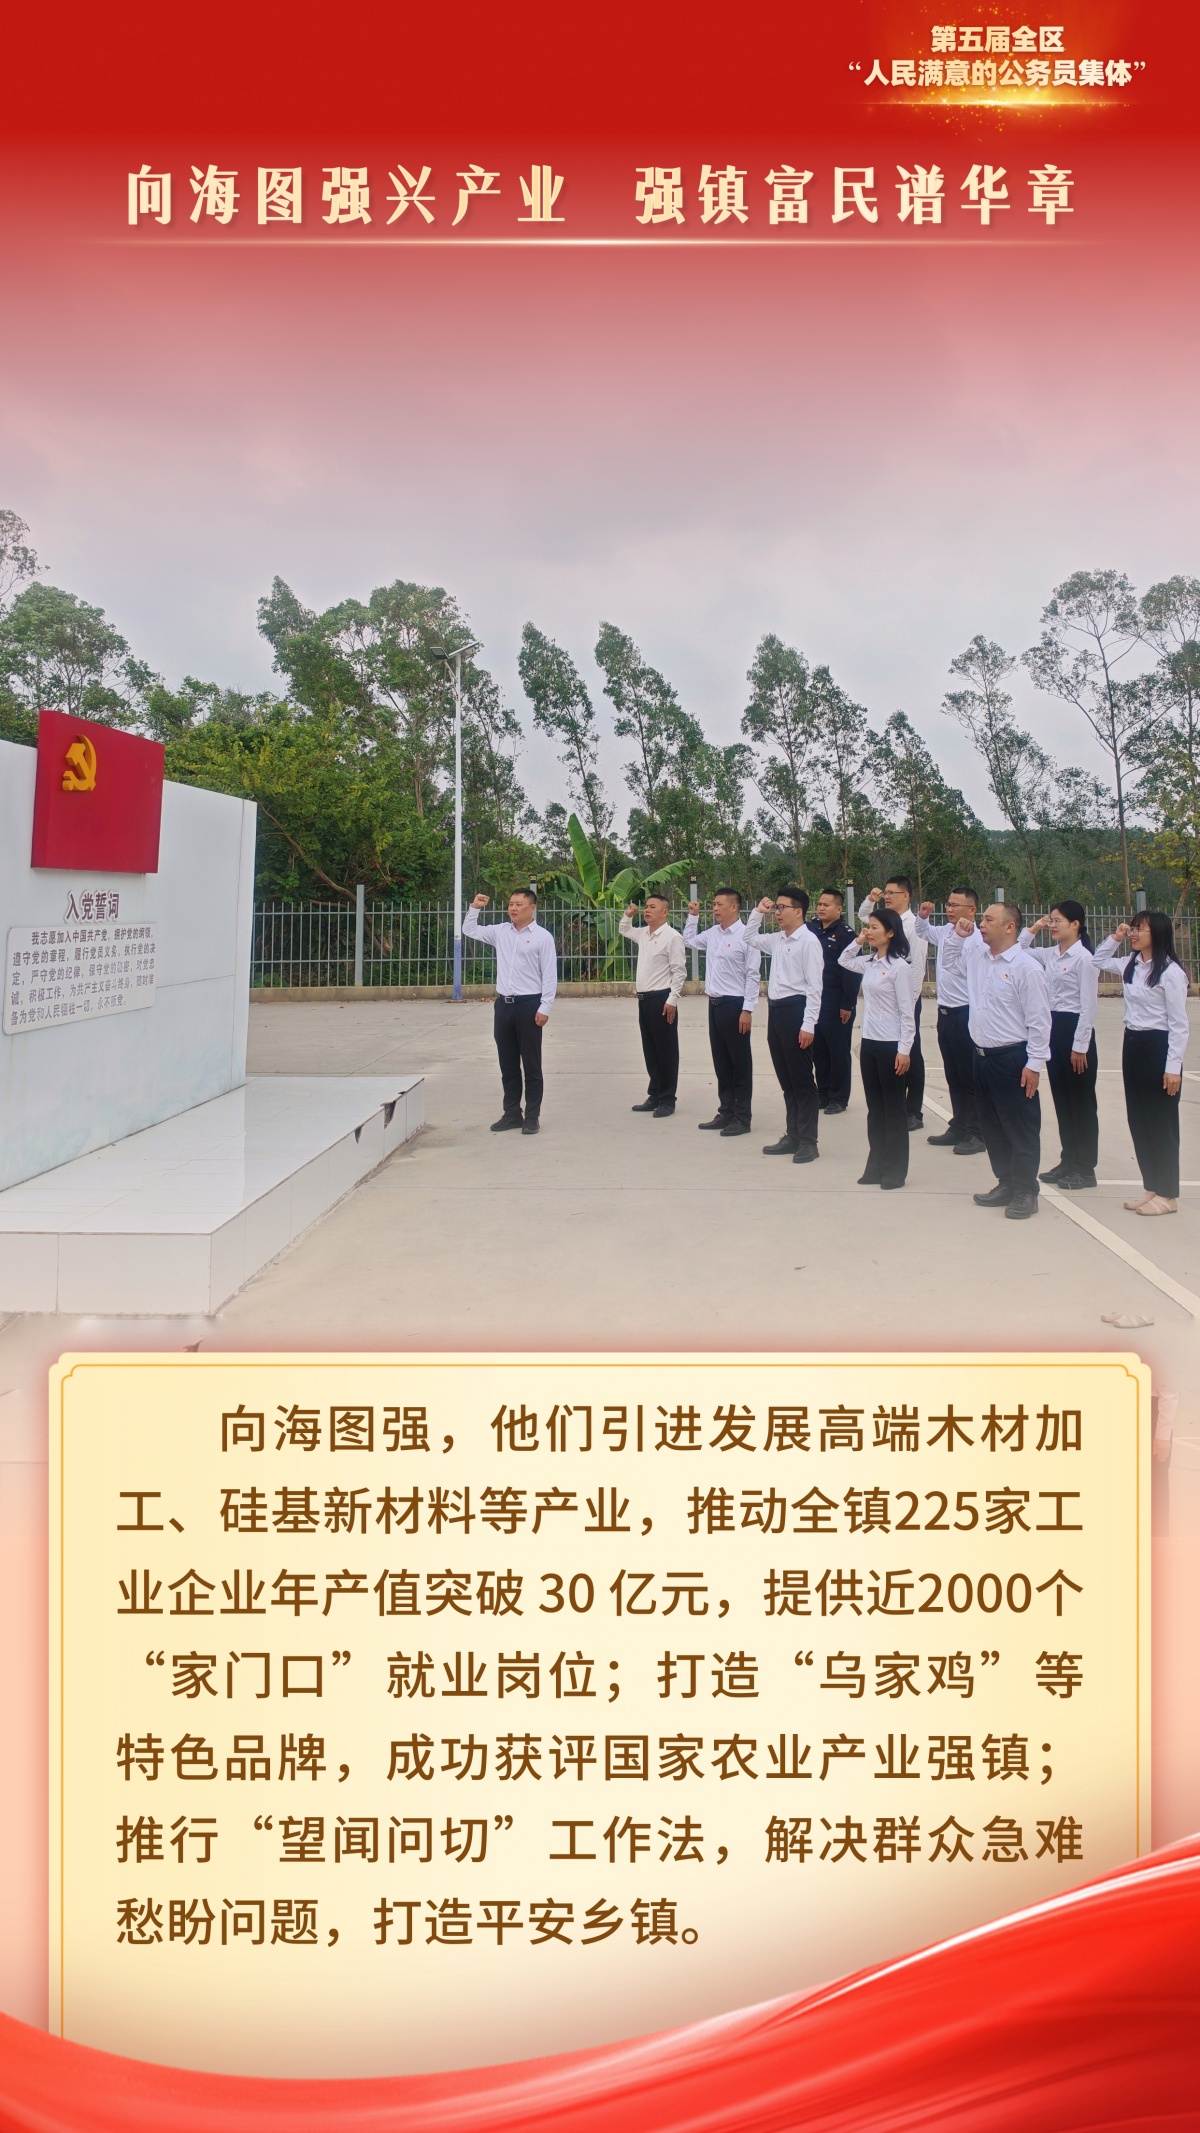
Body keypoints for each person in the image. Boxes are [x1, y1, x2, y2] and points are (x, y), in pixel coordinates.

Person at [945, 903, 1051, 1219]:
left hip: (1013, 1058)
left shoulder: (1026, 967)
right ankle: (1006, 1182)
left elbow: (1039, 1021)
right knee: (992, 1127)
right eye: (982, 919)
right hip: (981, 1056)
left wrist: (1034, 1064)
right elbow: (949, 964)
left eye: (988, 919)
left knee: (1020, 1127)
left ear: (1009, 927)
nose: (981, 924)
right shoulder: (979, 959)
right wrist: (957, 937)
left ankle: (1025, 1191)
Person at [1095, 911, 1190, 1216]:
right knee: (1139, 1120)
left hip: (1158, 1048)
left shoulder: (1170, 973)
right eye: (1133, 928)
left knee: (1161, 1123)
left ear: (1158, 934)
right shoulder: (1131, 964)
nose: (1134, 934)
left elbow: (1179, 1025)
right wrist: (1116, 937)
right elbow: (1098, 960)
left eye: (1140, 929)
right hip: (1133, 1044)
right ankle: (1152, 1186)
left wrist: (1172, 1068)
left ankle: (1168, 1194)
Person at [1019, 902, 1100, 1190]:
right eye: (1050, 920)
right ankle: (1069, 1160)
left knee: (1081, 1103)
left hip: (1075, 1031)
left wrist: (1080, 1046)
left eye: (1057, 921)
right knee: (1063, 1100)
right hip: (1054, 1028)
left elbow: (1089, 1006)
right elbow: (1018, 948)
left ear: (1075, 924)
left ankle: (1085, 1168)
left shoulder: (1084, 958)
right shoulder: (1049, 954)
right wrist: (1034, 927)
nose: (1052, 926)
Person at [463, 889, 557, 1134]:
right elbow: (469, 930)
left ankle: (532, 1117)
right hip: (504, 1005)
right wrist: (475, 908)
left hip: (529, 1005)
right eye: (511, 904)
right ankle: (512, 1113)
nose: (513, 908)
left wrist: (545, 1007)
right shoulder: (500, 931)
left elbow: (549, 975)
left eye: (519, 904)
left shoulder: (542, 937)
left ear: (532, 907)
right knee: (508, 1064)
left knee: (532, 1066)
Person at [745, 887, 825, 1163]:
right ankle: (793, 1135)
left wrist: (809, 1024)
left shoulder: (809, 941)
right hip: (776, 1011)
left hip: (796, 1010)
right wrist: (758, 912)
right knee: (787, 1080)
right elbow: (748, 937)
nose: (777, 912)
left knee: (802, 1080)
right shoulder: (777, 939)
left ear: (798, 911)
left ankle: (808, 1141)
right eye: (776, 908)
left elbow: (815, 987)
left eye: (782, 908)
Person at [838, 907, 915, 1189]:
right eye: (868, 927)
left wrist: (904, 1050)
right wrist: (858, 941)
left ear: (891, 932)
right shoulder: (869, 962)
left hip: (891, 1045)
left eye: (874, 928)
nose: (869, 932)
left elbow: (907, 1013)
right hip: (869, 1043)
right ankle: (876, 1166)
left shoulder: (900, 967)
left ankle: (895, 1170)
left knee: (893, 1110)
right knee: (875, 1109)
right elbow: (843, 960)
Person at [682, 888, 760, 1135]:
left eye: (719, 904)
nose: (714, 908)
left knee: (740, 1064)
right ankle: (726, 1112)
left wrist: (747, 1009)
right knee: (722, 1062)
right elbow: (688, 941)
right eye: (713, 904)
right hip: (714, 1005)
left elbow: (753, 975)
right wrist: (693, 917)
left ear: (734, 907)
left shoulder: (747, 936)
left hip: (735, 1005)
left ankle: (742, 1118)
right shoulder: (713, 933)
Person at [915, 889, 986, 1156]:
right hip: (945, 1012)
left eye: (956, 905)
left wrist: (959, 939)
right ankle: (959, 1125)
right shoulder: (945, 931)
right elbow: (923, 932)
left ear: (972, 910)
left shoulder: (977, 940)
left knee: (969, 1076)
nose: (950, 909)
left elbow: (963, 971)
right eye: (948, 904)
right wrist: (923, 917)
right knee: (953, 1074)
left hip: (966, 1013)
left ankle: (977, 1132)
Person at [860, 877, 926, 1128]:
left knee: (910, 1053)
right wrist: (870, 900)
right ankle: (894, 1108)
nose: (886, 897)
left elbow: (917, 965)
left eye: (892, 893)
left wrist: (910, 1001)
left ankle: (913, 1111)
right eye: (885, 893)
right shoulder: (886, 921)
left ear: (906, 896)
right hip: (888, 994)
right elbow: (865, 916)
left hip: (906, 995)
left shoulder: (913, 925)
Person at [619, 892, 687, 1116]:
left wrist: (672, 1000)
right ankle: (655, 1094)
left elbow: (679, 972)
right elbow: (624, 930)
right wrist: (628, 914)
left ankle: (667, 1099)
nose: (647, 910)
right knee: (650, 1050)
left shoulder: (672, 937)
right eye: (646, 907)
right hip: (644, 1000)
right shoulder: (643, 934)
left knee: (666, 1052)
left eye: (652, 907)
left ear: (665, 912)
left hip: (662, 1000)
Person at [807, 888, 860, 1114]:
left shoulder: (847, 934)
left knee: (838, 1051)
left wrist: (847, 1004)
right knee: (818, 1050)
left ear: (839, 909)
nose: (821, 908)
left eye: (826, 905)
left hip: (836, 1001)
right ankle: (823, 1093)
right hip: (814, 1000)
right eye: (819, 904)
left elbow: (852, 972)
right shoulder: (810, 929)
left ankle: (839, 1097)